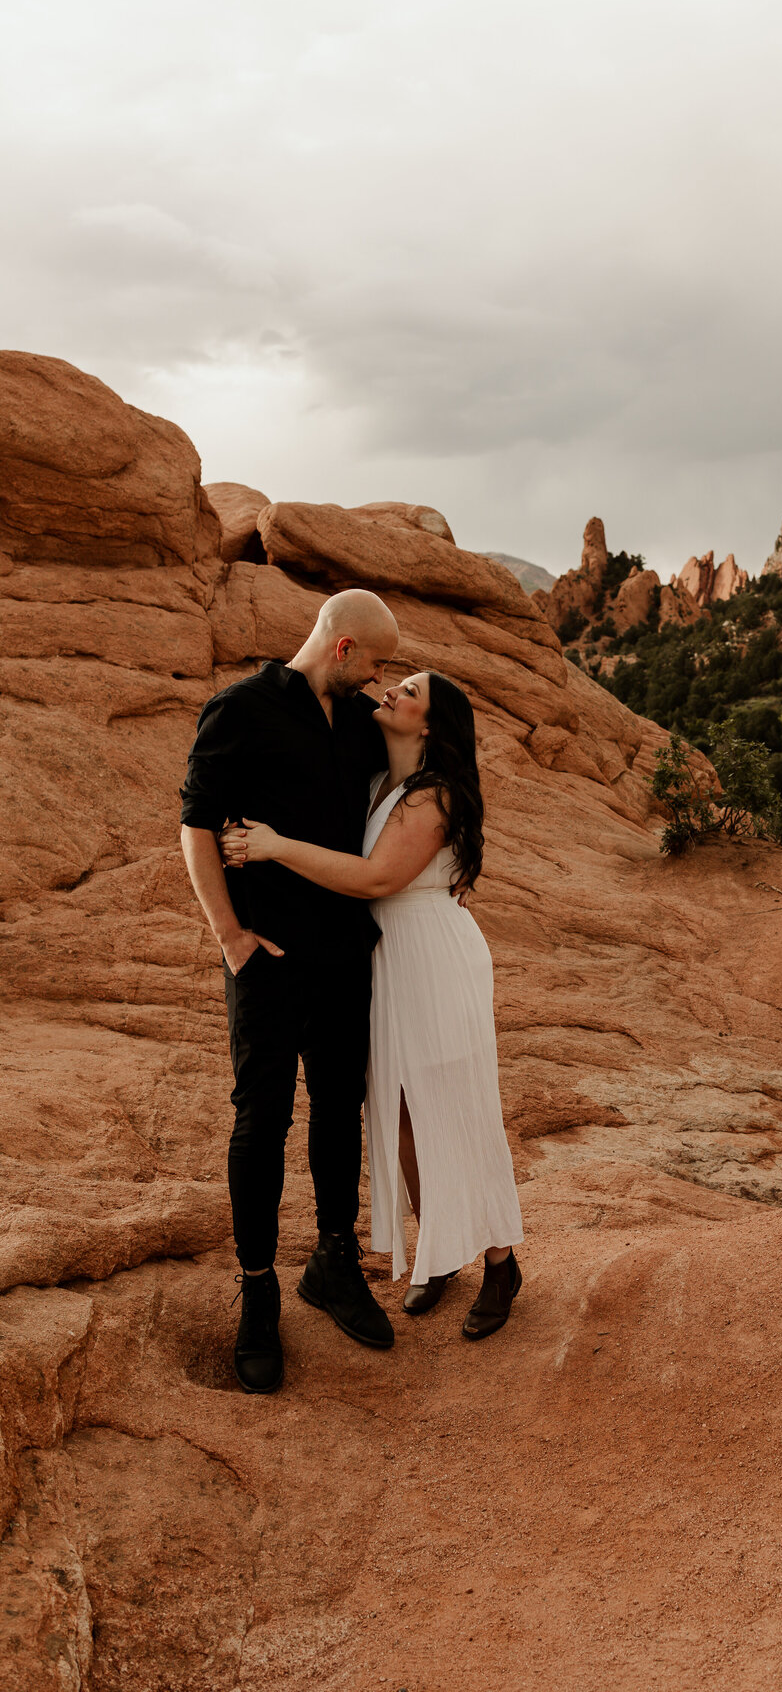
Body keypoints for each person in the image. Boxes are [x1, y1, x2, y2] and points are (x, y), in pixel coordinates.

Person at [220, 669, 524, 1342]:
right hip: (390, 958)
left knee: (456, 1105)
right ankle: (440, 1245)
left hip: (435, 958)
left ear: (429, 724)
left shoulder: (434, 795)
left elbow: (377, 877)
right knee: (405, 1115)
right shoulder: (382, 782)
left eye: (408, 691)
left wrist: (272, 846)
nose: (390, 690)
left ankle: (502, 1263)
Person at [180, 589, 401, 1394]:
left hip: (345, 954)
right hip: (266, 958)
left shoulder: (364, 724)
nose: (384, 679)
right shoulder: (240, 710)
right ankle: (258, 1290)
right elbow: (196, 825)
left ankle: (333, 1263)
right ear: (342, 649)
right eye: (377, 661)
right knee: (262, 1118)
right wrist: (230, 938)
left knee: (339, 1108)